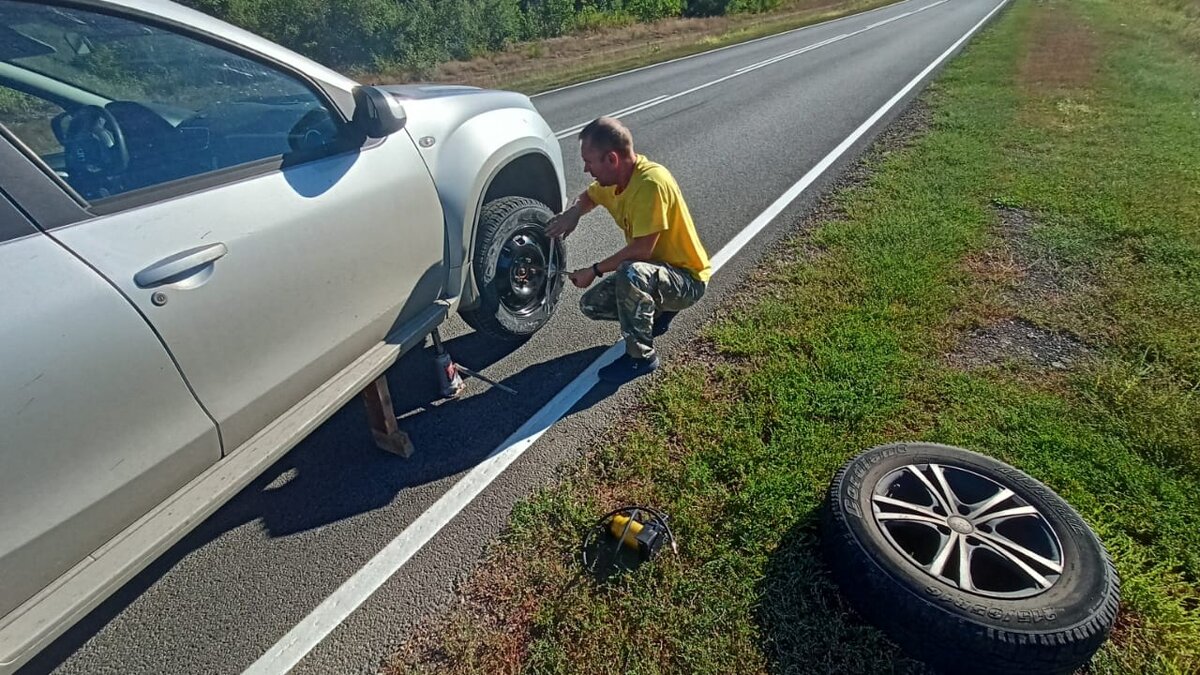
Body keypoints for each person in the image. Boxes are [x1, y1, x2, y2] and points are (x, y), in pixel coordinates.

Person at [545, 117, 711, 383]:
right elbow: (589, 196)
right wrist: (574, 213)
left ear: (612, 159)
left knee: (631, 273)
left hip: (687, 279)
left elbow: (642, 250)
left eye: (589, 162)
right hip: (659, 273)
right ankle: (659, 312)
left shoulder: (650, 184)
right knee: (591, 305)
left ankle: (641, 358)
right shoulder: (612, 183)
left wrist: (594, 270)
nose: (587, 170)